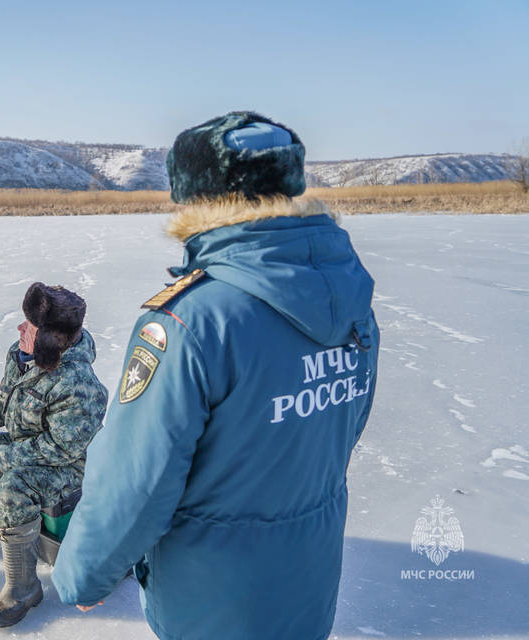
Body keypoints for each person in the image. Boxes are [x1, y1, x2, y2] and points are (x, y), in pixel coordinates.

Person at [52, 112, 380, 640]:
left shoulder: (191, 320)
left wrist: (84, 577)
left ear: (197, 198)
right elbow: (344, 428)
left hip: (212, 597)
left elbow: (137, 477)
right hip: (309, 578)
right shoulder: (351, 302)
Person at [0, 282, 108, 627]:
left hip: (67, 466)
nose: (20, 329)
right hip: (23, 447)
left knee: (14, 488)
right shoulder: (21, 353)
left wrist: (6, 458)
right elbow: (6, 397)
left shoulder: (78, 382)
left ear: (50, 339)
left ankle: (24, 588)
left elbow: (64, 447)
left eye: (30, 327)